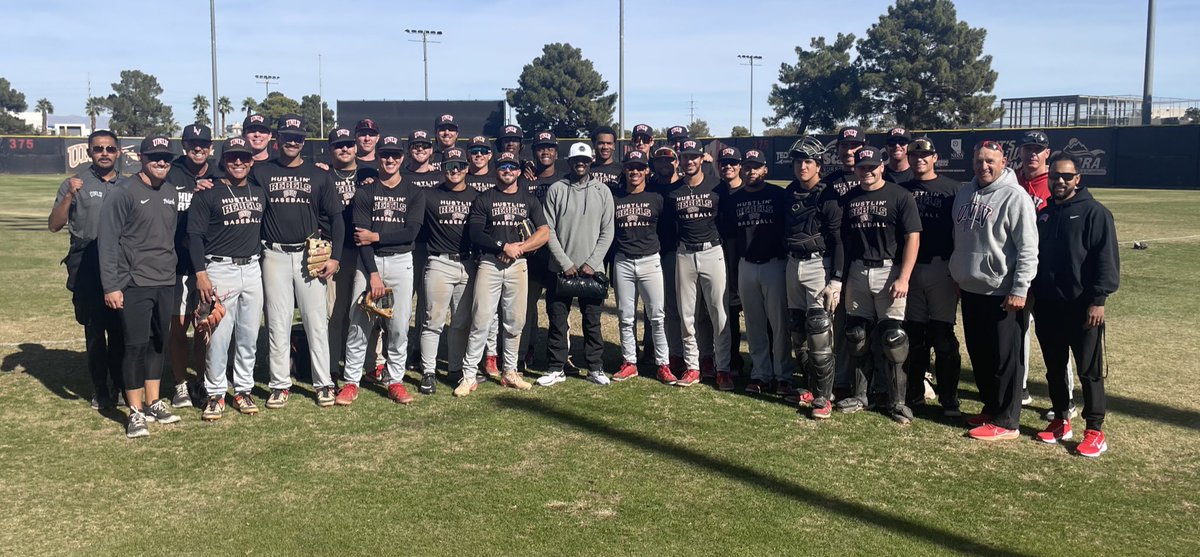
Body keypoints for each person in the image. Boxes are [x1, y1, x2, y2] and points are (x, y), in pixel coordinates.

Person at [251, 114, 344, 409]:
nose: (293, 141)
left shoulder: (318, 175)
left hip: (309, 255)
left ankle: (323, 383)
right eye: (288, 136)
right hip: (274, 254)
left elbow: (337, 219)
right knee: (278, 321)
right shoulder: (261, 172)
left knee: (316, 321)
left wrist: (336, 257)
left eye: (298, 137)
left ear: (304, 141)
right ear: (278, 140)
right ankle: (280, 384)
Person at [1030, 152, 1118, 457]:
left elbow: (1106, 260)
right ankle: (1061, 420)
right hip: (1048, 306)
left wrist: (1098, 301)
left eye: (1067, 176)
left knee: (1089, 372)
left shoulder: (1095, 213)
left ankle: (1095, 430)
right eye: (1055, 176)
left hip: (1082, 308)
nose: (1060, 181)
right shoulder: (1045, 213)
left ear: (1078, 179)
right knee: (1055, 368)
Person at [950, 140, 1039, 441]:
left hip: (1003, 293)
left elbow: (1028, 249)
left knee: (1005, 360)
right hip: (972, 288)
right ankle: (991, 408)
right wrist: (959, 275)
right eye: (978, 160)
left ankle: (1007, 421)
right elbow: (959, 239)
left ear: (1003, 163)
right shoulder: (964, 192)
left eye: (990, 160)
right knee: (981, 355)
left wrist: (1020, 288)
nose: (983, 166)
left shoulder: (1016, 196)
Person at [99, 135, 183, 437]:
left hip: (164, 280)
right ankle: (134, 411)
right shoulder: (122, 192)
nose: (161, 162)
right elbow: (107, 242)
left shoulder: (171, 191)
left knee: (159, 342)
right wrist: (112, 285)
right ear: (141, 158)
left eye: (166, 157)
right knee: (134, 345)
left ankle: (153, 402)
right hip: (134, 282)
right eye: (154, 157)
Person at [831, 147, 921, 425]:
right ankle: (861, 396)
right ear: (856, 169)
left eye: (872, 167)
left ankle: (897, 401)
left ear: (882, 167)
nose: (867, 172)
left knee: (893, 338)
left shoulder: (900, 195)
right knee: (857, 335)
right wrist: (841, 278)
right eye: (862, 167)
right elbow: (842, 243)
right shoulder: (849, 199)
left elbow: (912, 238)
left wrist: (904, 276)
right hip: (858, 270)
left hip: (888, 270)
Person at [337, 136, 423, 405]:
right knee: (359, 324)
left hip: (401, 262)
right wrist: (372, 273)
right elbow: (361, 237)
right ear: (378, 157)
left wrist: (377, 237)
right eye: (385, 155)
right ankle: (351, 381)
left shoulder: (414, 192)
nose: (390, 159)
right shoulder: (365, 192)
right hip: (369, 264)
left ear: (402, 158)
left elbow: (410, 232)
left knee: (398, 327)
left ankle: (395, 381)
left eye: (395, 155)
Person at [48, 129, 126, 410]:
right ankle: (99, 388)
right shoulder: (75, 183)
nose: (104, 153)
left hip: (119, 264)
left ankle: (119, 385)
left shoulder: (127, 185)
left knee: (120, 331)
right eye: (98, 149)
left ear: (118, 152)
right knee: (94, 331)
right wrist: (69, 194)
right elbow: (55, 224)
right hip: (87, 264)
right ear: (90, 152)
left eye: (109, 149)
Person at [460, 151, 551, 392]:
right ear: (495, 170)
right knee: (481, 319)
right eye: (503, 167)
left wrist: (519, 248)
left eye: (512, 167)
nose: (507, 171)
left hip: (518, 265)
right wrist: (503, 246)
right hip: (489, 263)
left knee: (515, 321)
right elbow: (476, 233)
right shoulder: (484, 198)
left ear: (519, 172)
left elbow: (544, 232)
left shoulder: (529, 199)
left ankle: (510, 371)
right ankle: (469, 374)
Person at [189, 137, 265, 420]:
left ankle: (243, 390)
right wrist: (201, 274)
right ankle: (216, 393)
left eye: (243, 157)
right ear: (223, 161)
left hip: (253, 269)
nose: (238, 162)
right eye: (232, 157)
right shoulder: (207, 193)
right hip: (220, 268)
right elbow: (194, 236)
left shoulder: (259, 192)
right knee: (218, 337)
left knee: (248, 335)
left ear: (251, 161)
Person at [537, 142, 615, 386]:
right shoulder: (556, 189)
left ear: (591, 162)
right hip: (560, 269)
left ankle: (594, 367)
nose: (580, 164)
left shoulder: (602, 191)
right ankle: (556, 367)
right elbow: (547, 230)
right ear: (569, 162)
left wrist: (592, 263)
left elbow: (608, 231)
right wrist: (564, 262)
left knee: (592, 321)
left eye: (585, 160)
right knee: (558, 320)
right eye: (576, 160)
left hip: (593, 271)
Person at [899, 137, 963, 416]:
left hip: (942, 267)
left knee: (943, 334)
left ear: (935, 157)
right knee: (915, 334)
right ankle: (914, 393)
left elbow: (962, 233)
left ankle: (949, 397)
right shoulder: (901, 190)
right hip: (910, 268)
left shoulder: (952, 190)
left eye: (924, 155)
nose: (918, 160)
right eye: (913, 155)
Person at [782, 136, 843, 419]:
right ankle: (810, 385)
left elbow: (838, 239)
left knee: (819, 330)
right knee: (797, 329)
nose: (802, 166)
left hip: (820, 265)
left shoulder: (827, 195)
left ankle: (824, 396)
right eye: (798, 161)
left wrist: (837, 279)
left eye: (808, 161)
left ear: (818, 164)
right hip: (793, 264)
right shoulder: (790, 192)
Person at [721, 149, 792, 394]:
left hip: (775, 264)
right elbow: (730, 239)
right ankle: (760, 373)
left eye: (757, 166)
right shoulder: (734, 199)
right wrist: (732, 271)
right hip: (746, 265)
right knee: (754, 323)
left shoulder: (778, 195)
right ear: (743, 168)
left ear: (765, 169)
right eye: (748, 166)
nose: (752, 171)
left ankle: (783, 374)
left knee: (779, 323)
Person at [1015, 130, 1074, 417]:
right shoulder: (1011, 179)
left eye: (1038, 149)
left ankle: (1068, 398)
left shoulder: (1056, 182)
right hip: (1018, 271)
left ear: (1047, 153)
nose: (1032, 154)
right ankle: (1021, 387)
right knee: (1018, 331)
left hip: (1049, 272)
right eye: (1028, 148)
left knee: (1056, 337)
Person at [665, 139, 731, 388]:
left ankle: (722, 368)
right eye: (685, 157)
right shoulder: (674, 191)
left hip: (712, 250)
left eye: (694, 157)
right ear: (679, 160)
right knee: (687, 314)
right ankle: (693, 367)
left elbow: (725, 221)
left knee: (719, 312)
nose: (689, 161)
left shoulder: (717, 186)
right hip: (684, 253)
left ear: (702, 159)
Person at [415, 148, 481, 397]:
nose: (455, 170)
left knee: (462, 321)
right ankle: (428, 371)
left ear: (467, 168)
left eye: (459, 166)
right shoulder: (428, 195)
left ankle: (455, 368)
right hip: (439, 261)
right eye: (449, 165)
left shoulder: (477, 197)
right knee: (433, 321)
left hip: (468, 263)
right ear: (441, 168)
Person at [165, 123, 217, 408]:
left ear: (211, 147)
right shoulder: (171, 173)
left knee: (205, 327)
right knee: (179, 327)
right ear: (184, 146)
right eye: (192, 143)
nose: (198, 148)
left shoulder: (220, 172)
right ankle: (180, 383)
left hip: (211, 262)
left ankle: (202, 380)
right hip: (178, 262)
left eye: (203, 143)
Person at [610, 150, 671, 383]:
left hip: (650, 259)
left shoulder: (656, 196)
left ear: (647, 170)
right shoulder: (615, 197)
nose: (634, 171)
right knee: (626, 316)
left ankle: (663, 364)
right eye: (630, 167)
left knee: (657, 316)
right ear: (624, 169)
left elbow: (666, 229)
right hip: (623, 260)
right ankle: (629, 362)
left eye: (639, 167)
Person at [325, 127, 379, 383]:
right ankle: (333, 365)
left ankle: (369, 365)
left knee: (365, 312)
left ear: (356, 147)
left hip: (364, 252)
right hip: (335, 250)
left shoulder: (371, 174)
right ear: (330, 149)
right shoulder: (322, 175)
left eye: (348, 144)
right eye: (338, 145)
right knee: (335, 313)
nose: (344, 149)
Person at [519, 131, 563, 369]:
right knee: (526, 308)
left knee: (559, 308)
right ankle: (526, 351)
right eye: (540, 148)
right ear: (533, 151)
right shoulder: (524, 180)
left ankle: (561, 356)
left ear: (557, 151)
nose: (545, 152)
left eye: (549, 147)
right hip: (532, 253)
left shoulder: (565, 179)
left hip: (557, 253)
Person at [648, 146, 686, 375]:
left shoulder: (682, 186)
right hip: (652, 253)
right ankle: (667, 351)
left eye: (668, 160)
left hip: (675, 252)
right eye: (660, 161)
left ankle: (680, 352)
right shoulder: (650, 187)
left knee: (677, 306)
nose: (664, 164)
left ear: (676, 162)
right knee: (660, 307)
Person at [713, 146, 746, 383]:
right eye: (724, 163)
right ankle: (733, 360)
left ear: (740, 166)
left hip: (748, 255)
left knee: (760, 316)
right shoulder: (716, 192)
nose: (728, 166)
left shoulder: (748, 191)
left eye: (733, 163)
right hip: (722, 255)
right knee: (730, 311)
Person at [589, 126, 622, 190]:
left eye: (609, 143)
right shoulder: (587, 169)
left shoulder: (622, 171)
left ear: (614, 146)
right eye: (601, 143)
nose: (605, 147)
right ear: (594, 145)